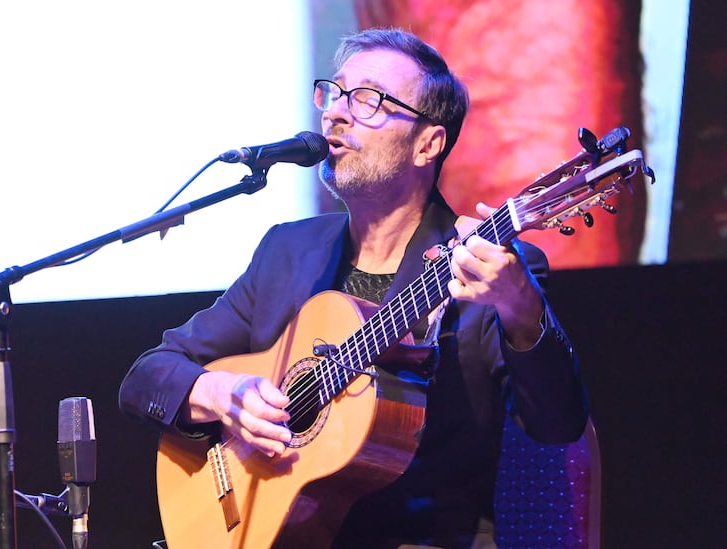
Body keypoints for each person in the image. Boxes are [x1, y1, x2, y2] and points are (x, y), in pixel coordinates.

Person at [119, 28, 588, 549]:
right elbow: (148, 376)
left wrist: (521, 307)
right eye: (336, 93)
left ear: (428, 144)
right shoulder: (288, 254)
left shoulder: (493, 274)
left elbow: (558, 426)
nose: (336, 114)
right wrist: (222, 394)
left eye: (368, 99)